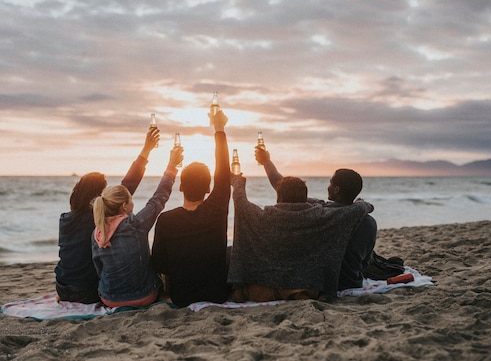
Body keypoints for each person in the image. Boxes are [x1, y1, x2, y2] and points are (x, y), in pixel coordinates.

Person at [228, 172, 374, 302]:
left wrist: (237, 183)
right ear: (306, 198)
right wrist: (364, 203)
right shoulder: (322, 216)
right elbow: (358, 209)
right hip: (308, 284)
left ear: (279, 197)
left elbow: (242, 204)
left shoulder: (266, 216)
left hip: (270, 279)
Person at [54, 128, 160, 304]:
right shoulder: (98, 219)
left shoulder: (64, 219)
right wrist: (146, 150)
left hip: (62, 287)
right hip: (87, 292)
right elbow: (129, 184)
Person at [255, 147, 377, 291]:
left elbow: (281, 186)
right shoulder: (369, 222)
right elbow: (365, 262)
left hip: (325, 283)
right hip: (351, 282)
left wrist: (266, 162)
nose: (328, 186)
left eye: (330, 183)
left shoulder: (320, 213)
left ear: (337, 189)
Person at [151, 110, 232, 307]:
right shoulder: (216, 210)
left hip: (181, 296)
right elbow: (223, 172)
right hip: (217, 294)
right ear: (207, 188)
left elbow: (160, 265)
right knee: (231, 251)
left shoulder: (166, 220)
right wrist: (219, 128)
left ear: (180, 187)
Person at [91, 144, 183, 308]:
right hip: (144, 296)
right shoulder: (136, 225)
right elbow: (159, 198)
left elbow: (99, 269)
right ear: (124, 206)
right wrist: (172, 167)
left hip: (109, 298)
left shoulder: (97, 232)